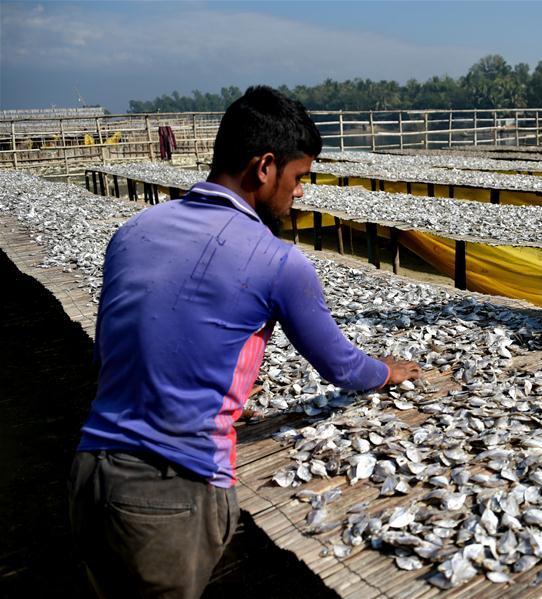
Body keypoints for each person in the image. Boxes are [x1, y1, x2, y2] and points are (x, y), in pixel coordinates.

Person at [68, 86, 421, 598]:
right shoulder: (279, 261)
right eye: (299, 178)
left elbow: (116, 353)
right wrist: (387, 371)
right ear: (265, 167)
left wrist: (212, 398)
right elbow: (341, 367)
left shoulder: (134, 231)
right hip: (169, 491)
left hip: (89, 474)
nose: (300, 193)